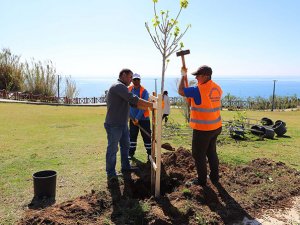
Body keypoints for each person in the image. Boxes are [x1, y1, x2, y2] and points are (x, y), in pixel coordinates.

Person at [104, 69, 153, 180]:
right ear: (123, 75)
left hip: (122, 124)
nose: (131, 80)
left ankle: (125, 167)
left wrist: (149, 107)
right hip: (114, 125)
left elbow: (134, 104)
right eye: (130, 77)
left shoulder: (123, 88)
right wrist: (152, 105)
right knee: (113, 149)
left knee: (125, 146)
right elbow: (134, 99)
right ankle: (111, 173)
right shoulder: (118, 86)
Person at [178, 65, 223, 186]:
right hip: (216, 126)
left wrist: (183, 75)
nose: (196, 78)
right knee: (211, 152)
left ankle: (202, 180)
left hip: (203, 128)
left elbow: (181, 91)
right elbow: (203, 102)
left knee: (198, 154)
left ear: (206, 76)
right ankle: (214, 177)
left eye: (198, 75)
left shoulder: (198, 90)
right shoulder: (217, 88)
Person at [128, 73, 152, 159]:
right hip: (132, 119)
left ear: (140, 80)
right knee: (132, 136)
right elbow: (127, 103)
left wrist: (137, 118)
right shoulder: (129, 89)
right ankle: (130, 153)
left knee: (146, 137)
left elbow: (145, 106)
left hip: (144, 119)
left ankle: (150, 154)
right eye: (134, 79)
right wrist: (131, 117)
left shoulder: (144, 91)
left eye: (137, 79)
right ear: (132, 80)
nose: (136, 81)